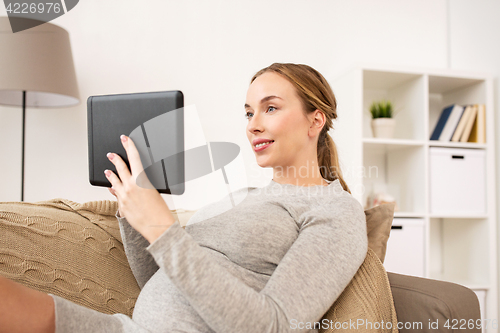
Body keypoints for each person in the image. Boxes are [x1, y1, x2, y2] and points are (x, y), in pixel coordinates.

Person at [0, 63, 368, 333]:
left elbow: (275, 326)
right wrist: (133, 209)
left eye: (270, 108)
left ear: (315, 120)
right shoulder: (241, 196)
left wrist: (162, 227)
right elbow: (160, 279)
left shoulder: (335, 210)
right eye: (248, 112)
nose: (253, 124)